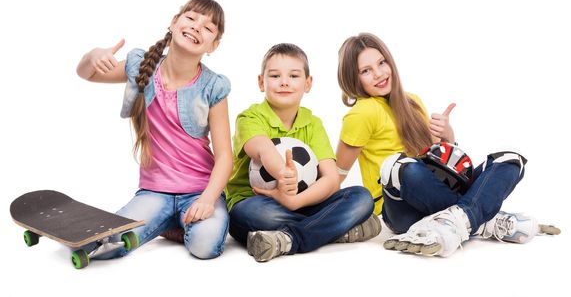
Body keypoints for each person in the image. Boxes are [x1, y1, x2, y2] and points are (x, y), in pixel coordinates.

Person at [335, 32, 560, 257]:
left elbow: (434, 158)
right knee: (399, 166)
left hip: (437, 193)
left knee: (510, 160)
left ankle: (459, 222)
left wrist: (447, 137)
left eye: (382, 63)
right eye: (366, 71)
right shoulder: (361, 113)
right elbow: (337, 175)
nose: (378, 73)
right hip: (402, 208)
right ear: (353, 79)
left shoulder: (411, 101)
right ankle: (485, 220)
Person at [75, 0, 232, 260]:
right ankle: (168, 221)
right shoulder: (143, 66)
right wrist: (93, 56)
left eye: (208, 27)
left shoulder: (213, 86)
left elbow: (225, 155)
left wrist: (208, 199)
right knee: (104, 243)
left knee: (204, 246)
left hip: (200, 190)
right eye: (191, 18)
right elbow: (86, 73)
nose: (196, 27)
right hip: (154, 191)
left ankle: (173, 223)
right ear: (173, 23)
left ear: (213, 45)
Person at [225, 43, 380, 262]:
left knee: (362, 198)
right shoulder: (250, 117)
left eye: (294, 76)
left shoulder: (313, 124)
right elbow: (262, 148)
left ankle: (288, 239)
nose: (284, 82)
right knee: (252, 215)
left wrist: (294, 202)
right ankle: (333, 229)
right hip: (256, 201)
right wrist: (283, 174)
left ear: (308, 83)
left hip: (304, 202)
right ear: (261, 82)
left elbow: (331, 179)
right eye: (275, 75)